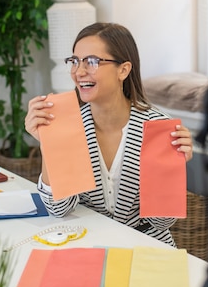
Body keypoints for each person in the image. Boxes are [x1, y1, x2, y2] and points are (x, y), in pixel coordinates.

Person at [24, 22, 193, 246]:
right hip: (87, 245)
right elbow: (58, 209)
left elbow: (162, 222)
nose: (79, 71)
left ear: (123, 69)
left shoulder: (159, 127)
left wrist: (171, 171)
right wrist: (50, 143)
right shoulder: (68, 125)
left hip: (147, 247)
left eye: (92, 61)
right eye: (75, 61)